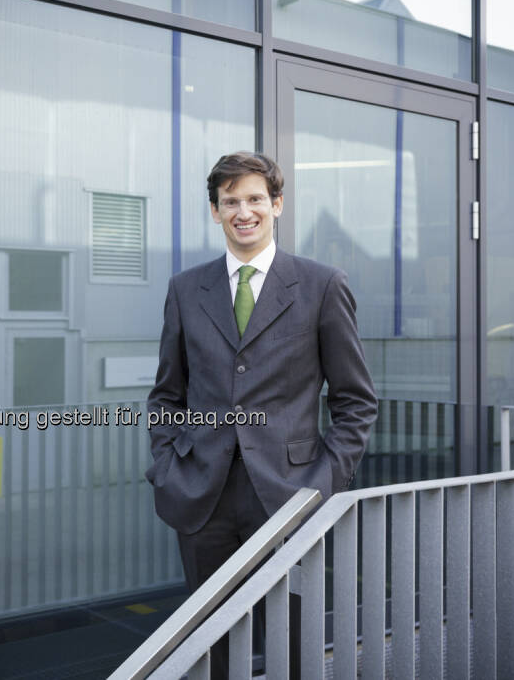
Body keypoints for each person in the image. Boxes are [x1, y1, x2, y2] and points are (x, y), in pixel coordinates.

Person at [146, 151, 377, 678]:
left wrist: (322, 485)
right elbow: (166, 394)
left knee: (293, 643)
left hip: (290, 494)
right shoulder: (186, 289)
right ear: (215, 211)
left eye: (254, 199)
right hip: (202, 493)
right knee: (209, 640)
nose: (242, 211)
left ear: (276, 204)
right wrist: (166, 467)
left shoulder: (322, 285)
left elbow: (355, 401)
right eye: (230, 201)